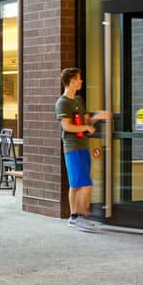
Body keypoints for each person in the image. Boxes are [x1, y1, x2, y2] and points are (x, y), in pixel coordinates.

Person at [55, 66, 110, 231]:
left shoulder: (79, 100)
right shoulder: (62, 103)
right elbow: (67, 127)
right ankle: (80, 216)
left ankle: (74, 217)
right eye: (79, 78)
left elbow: (87, 123)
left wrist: (96, 118)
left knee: (76, 184)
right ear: (72, 81)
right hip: (72, 148)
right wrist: (85, 129)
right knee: (84, 183)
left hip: (83, 146)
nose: (81, 81)